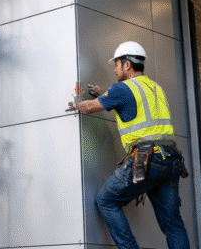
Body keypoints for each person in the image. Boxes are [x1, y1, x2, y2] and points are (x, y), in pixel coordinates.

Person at [72, 41, 190, 249]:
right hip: (171, 159)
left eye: (117, 64)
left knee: (106, 200)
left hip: (147, 158)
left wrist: (78, 99)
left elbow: (88, 108)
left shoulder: (122, 89)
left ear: (127, 65)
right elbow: (133, 106)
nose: (115, 69)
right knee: (173, 223)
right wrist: (105, 94)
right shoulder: (155, 89)